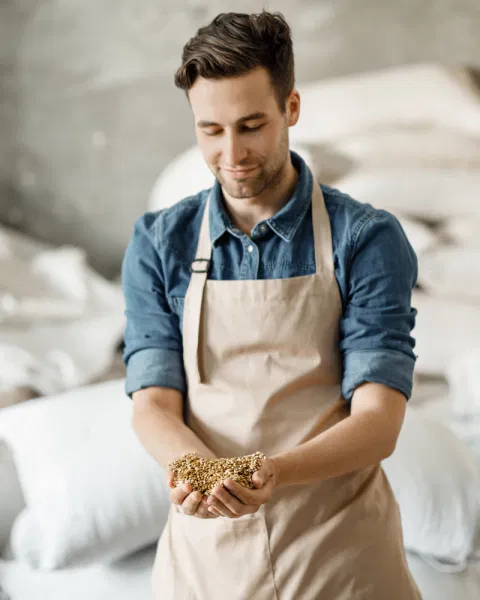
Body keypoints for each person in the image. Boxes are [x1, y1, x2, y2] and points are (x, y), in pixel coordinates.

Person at [121, 10, 422, 600]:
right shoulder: (160, 242)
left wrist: (272, 473)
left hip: (341, 557)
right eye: (210, 129)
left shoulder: (366, 239)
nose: (231, 151)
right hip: (205, 560)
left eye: (251, 124)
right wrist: (198, 472)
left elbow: (378, 422)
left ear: (291, 109)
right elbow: (153, 402)